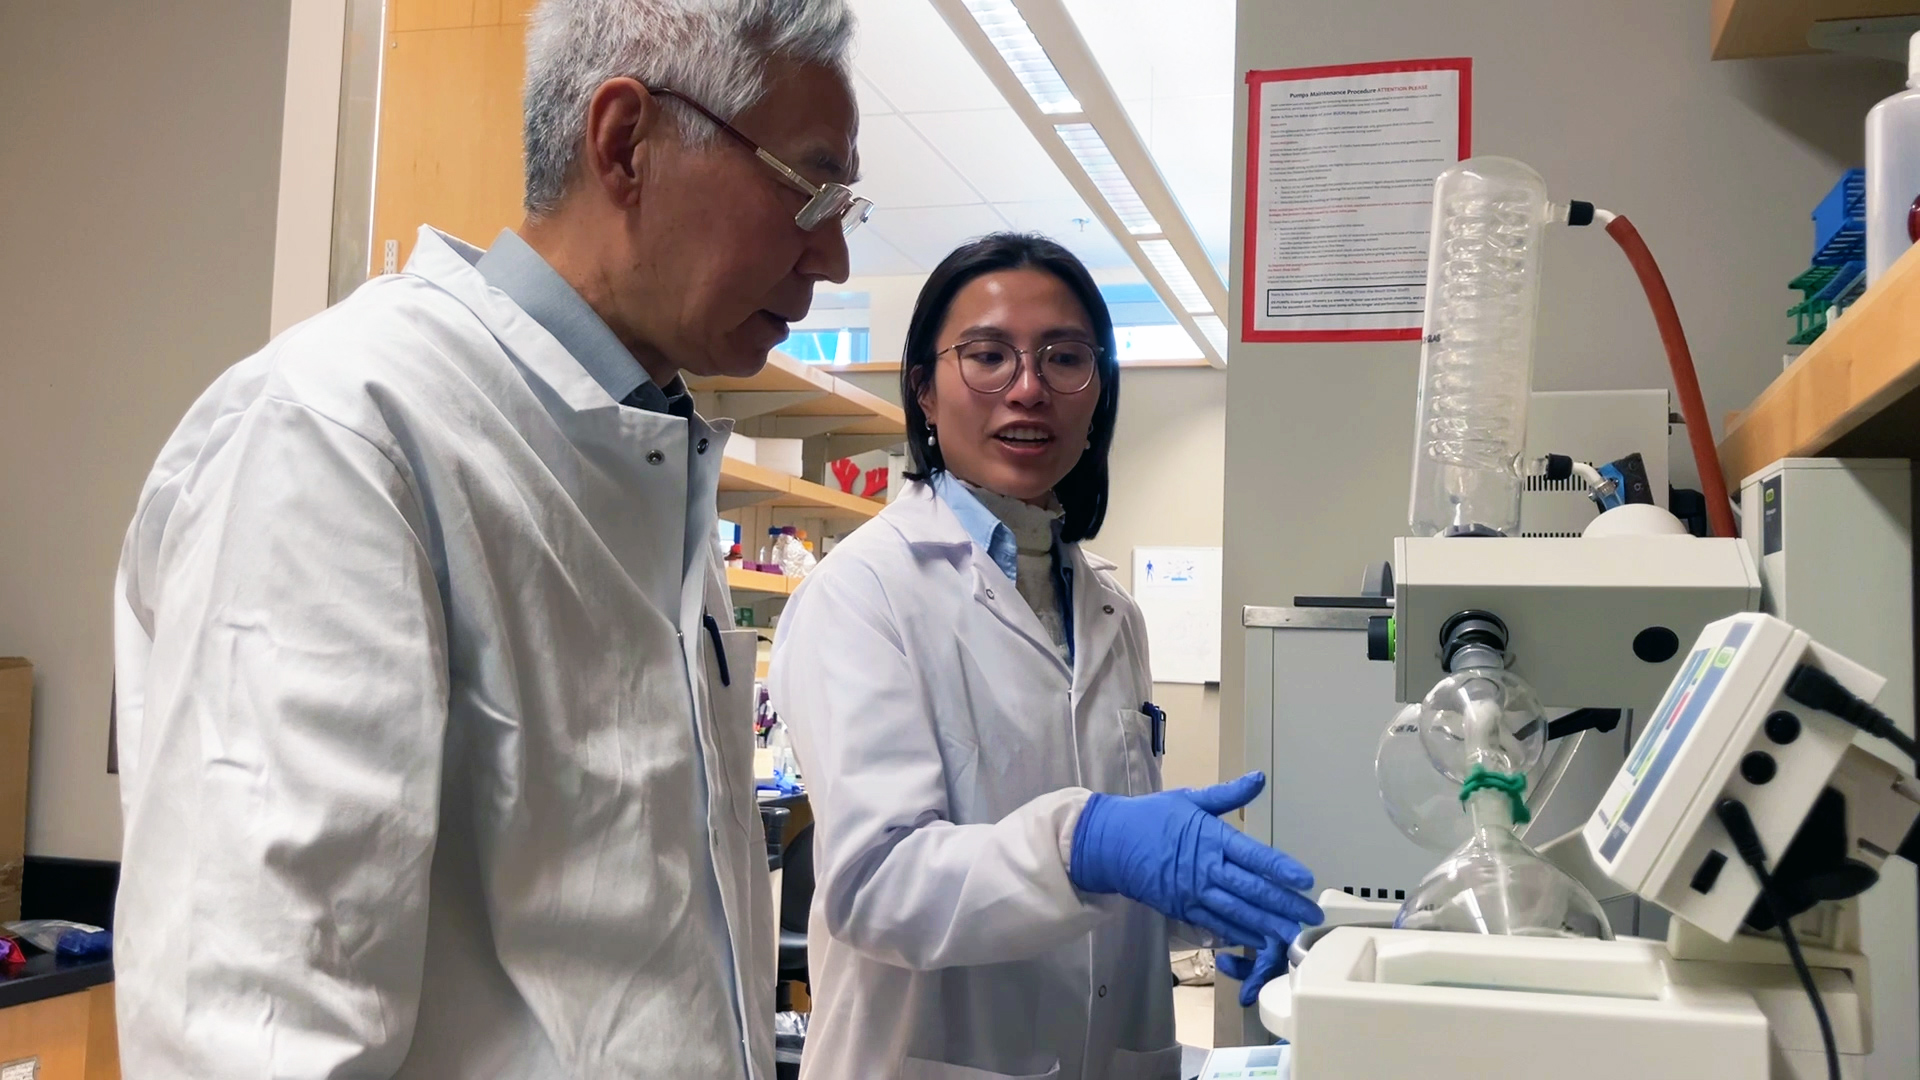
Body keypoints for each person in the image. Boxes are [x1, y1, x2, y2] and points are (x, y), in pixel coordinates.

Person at [109, 1, 863, 1076]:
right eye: (810, 189)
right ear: (625, 142)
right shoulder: (340, 433)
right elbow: (259, 1026)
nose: (831, 255)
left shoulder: (644, 458)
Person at [769, 233, 1322, 1080]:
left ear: (1098, 393)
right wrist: (1087, 840)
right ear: (923, 387)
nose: (1028, 389)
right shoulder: (860, 594)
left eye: (1066, 358)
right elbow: (877, 886)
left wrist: (1213, 909)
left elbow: (1106, 880)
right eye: (988, 355)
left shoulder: (1111, 611)